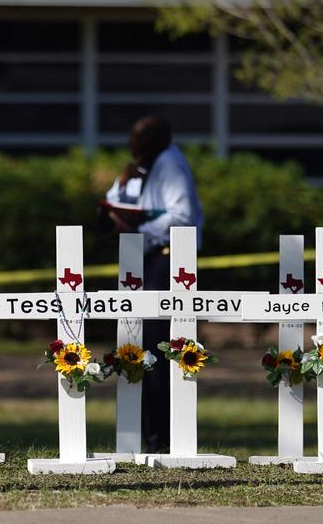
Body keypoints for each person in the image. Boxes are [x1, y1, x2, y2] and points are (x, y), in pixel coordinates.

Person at [104, 114, 203, 454]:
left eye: (138, 144)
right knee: (139, 344)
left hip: (165, 261)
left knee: (158, 350)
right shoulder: (146, 168)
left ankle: (162, 438)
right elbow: (117, 202)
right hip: (143, 259)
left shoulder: (170, 166)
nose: (133, 151)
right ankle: (150, 436)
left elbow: (184, 216)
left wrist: (139, 229)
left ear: (155, 142)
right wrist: (123, 181)